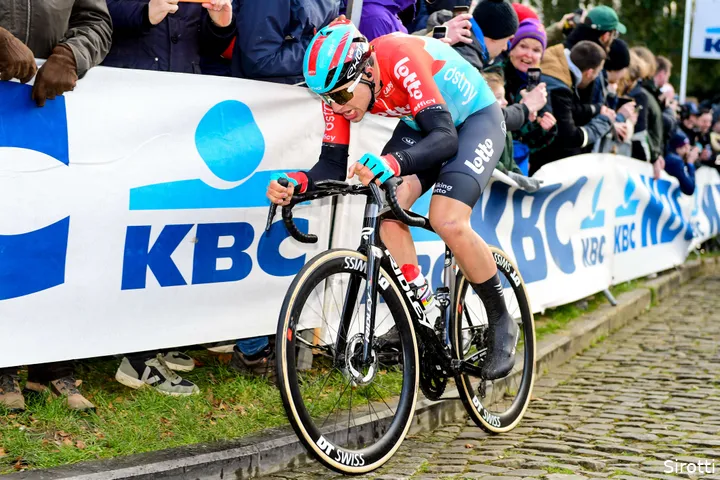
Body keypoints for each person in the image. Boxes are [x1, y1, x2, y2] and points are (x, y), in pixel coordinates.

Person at [267, 18, 518, 380]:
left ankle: (501, 320)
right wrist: (297, 183)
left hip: (474, 122)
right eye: (326, 99)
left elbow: (446, 138)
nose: (336, 107)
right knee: (387, 209)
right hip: (423, 126)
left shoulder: (400, 56)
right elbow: (332, 166)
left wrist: (391, 162)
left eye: (341, 96)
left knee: (447, 219)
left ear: (367, 72)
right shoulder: (340, 90)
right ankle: (421, 310)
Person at [0, 0, 112, 411]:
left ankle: (50, 366)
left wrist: (70, 55)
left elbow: (95, 21)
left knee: (45, 230)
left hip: (43, 107)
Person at [529, 41, 614, 175]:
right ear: (589, 73)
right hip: (541, 165)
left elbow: (567, 109)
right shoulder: (559, 87)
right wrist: (605, 120)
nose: (596, 78)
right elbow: (570, 137)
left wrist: (596, 109)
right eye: (597, 73)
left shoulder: (554, 63)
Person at [103, 0, 237, 75]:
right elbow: (95, 13)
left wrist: (218, 26)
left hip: (184, 84)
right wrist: (144, 14)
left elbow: (207, 51)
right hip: (125, 81)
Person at [230, 0, 338, 85]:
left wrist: (339, 31)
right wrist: (324, 47)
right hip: (270, 94)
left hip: (313, 85)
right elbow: (260, 61)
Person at [500, 19, 557, 173]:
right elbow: (494, 122)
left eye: (536, 50)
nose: (528, 54)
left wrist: (545, 129)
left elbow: (534, 143)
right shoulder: (496, 76)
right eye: (523, 46)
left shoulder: (540, 85)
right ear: (511, 48)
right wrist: (523, 110)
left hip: (519, 162)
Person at [483, 71, 542, 192]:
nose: (505, 102)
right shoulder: (483, 129)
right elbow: (487, 160)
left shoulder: (505, 127)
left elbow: (509, 159)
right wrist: (508, 175)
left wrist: (518, 174)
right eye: (498, 98)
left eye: (504, 97)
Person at [664, 130, 698, 195]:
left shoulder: (672, 158)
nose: (688, 150)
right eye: (685, 147)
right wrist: (690, 163)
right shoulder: (676, 161)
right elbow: (689, 188)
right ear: (678, 148)